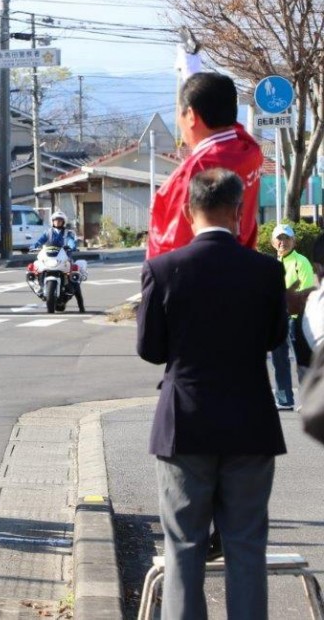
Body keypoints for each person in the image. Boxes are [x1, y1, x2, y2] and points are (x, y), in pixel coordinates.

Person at [137, 168, 288, 620]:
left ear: (188, 211)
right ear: (240, 213)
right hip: (251, 422)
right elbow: (275, 337)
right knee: (246, 546)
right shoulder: (266, 271)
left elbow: (150, 349)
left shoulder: (163, 269)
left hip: (185, 423)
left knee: (184, 546)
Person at [147, 72, 263, 259]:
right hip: (243, 266)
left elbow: (173, 245)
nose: (178, 121)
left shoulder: (198, 170)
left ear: (191, 115)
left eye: (180, 113)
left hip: (197, 277)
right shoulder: (249, 151)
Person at [268, 224, 316, 411]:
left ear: (293, 241)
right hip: (277, 318)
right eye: (279, 239)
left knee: (302, 360)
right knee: (279, 360)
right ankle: (285, 399)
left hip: (296, 317)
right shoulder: (271, 264)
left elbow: (305, 291)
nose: (282, 242)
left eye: (286, 238)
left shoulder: (300, 261)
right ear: (273, 242)